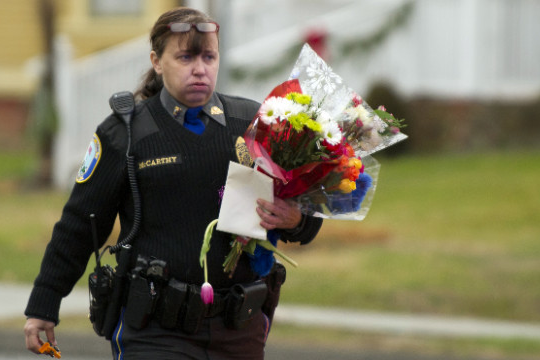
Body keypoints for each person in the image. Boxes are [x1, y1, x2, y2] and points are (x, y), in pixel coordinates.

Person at [24, 7, 322, 360]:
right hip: (155, 330)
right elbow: (80, 224)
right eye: (185, 56)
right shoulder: (126, 134)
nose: (200, 68)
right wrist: (44, 304)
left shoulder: (253, 124)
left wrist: (295, 219)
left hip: (238, 329)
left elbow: (308, 214)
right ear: (157, 61)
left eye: (208, 56)